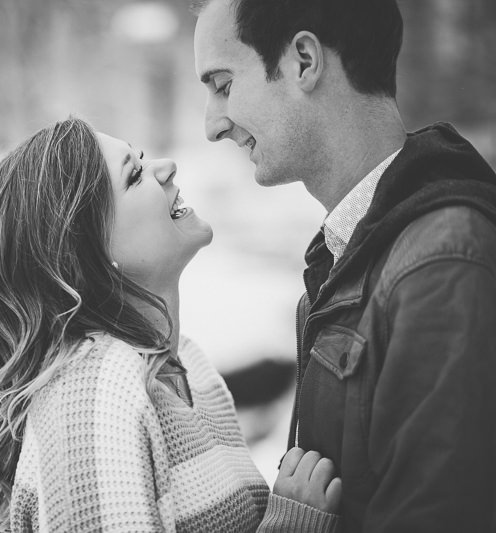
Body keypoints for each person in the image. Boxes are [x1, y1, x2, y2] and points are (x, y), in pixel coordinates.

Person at [192, 0, 496, 531]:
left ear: (304, 61)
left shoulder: (440, 263)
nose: (212, 125)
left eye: (222, 84)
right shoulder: (342, 263)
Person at [0, 117, 341, 532]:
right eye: (135, 175)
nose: (167, 167)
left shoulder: (190, 369)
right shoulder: (92, 394)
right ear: (86, 251)